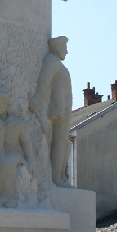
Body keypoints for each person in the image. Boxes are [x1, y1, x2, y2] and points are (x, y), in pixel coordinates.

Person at [29, 36, 72, 186]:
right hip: (58, 108)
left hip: (63, 108)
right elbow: (44, 81)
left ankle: (59, 176)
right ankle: (55, 178)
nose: (66, 52)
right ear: (57, 47)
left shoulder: (56, 62)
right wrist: (37, 100)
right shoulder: (51, 61)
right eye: (64, 47)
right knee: (59, 142)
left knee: (63, 142)